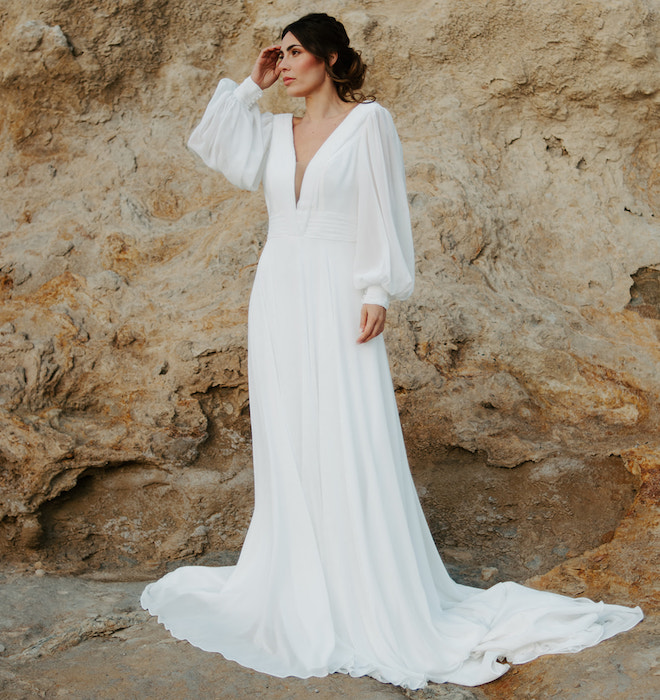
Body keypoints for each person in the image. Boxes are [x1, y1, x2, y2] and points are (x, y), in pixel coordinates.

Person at [141, 13, 643, 689]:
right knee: (290, 436)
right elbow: (210, 144)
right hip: (278, 294)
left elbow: (381, 208)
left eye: (293, 54)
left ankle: (362, 590)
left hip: (339, 291)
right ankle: (300, 582)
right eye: (279, 55)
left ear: (329, 57)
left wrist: (376, 286)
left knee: (346, 432)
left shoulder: (368, 123)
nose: (283, 64)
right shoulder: (272, 130)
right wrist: (248, 86)